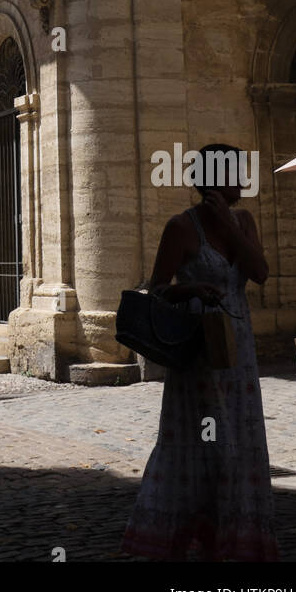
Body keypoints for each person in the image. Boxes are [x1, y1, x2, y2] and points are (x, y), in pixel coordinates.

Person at [122, 144, 278, 562]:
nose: (245, 180)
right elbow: (154, 289)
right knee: (207, 446)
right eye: (237, 173)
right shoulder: (181, 227)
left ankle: (229, 538)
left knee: (238, 445)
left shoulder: (242, 221)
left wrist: (229, 224)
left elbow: (260, 273)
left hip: (238, 352)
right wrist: (188, 289)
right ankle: (189, 535)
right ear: (215, 178)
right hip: (200, 354)